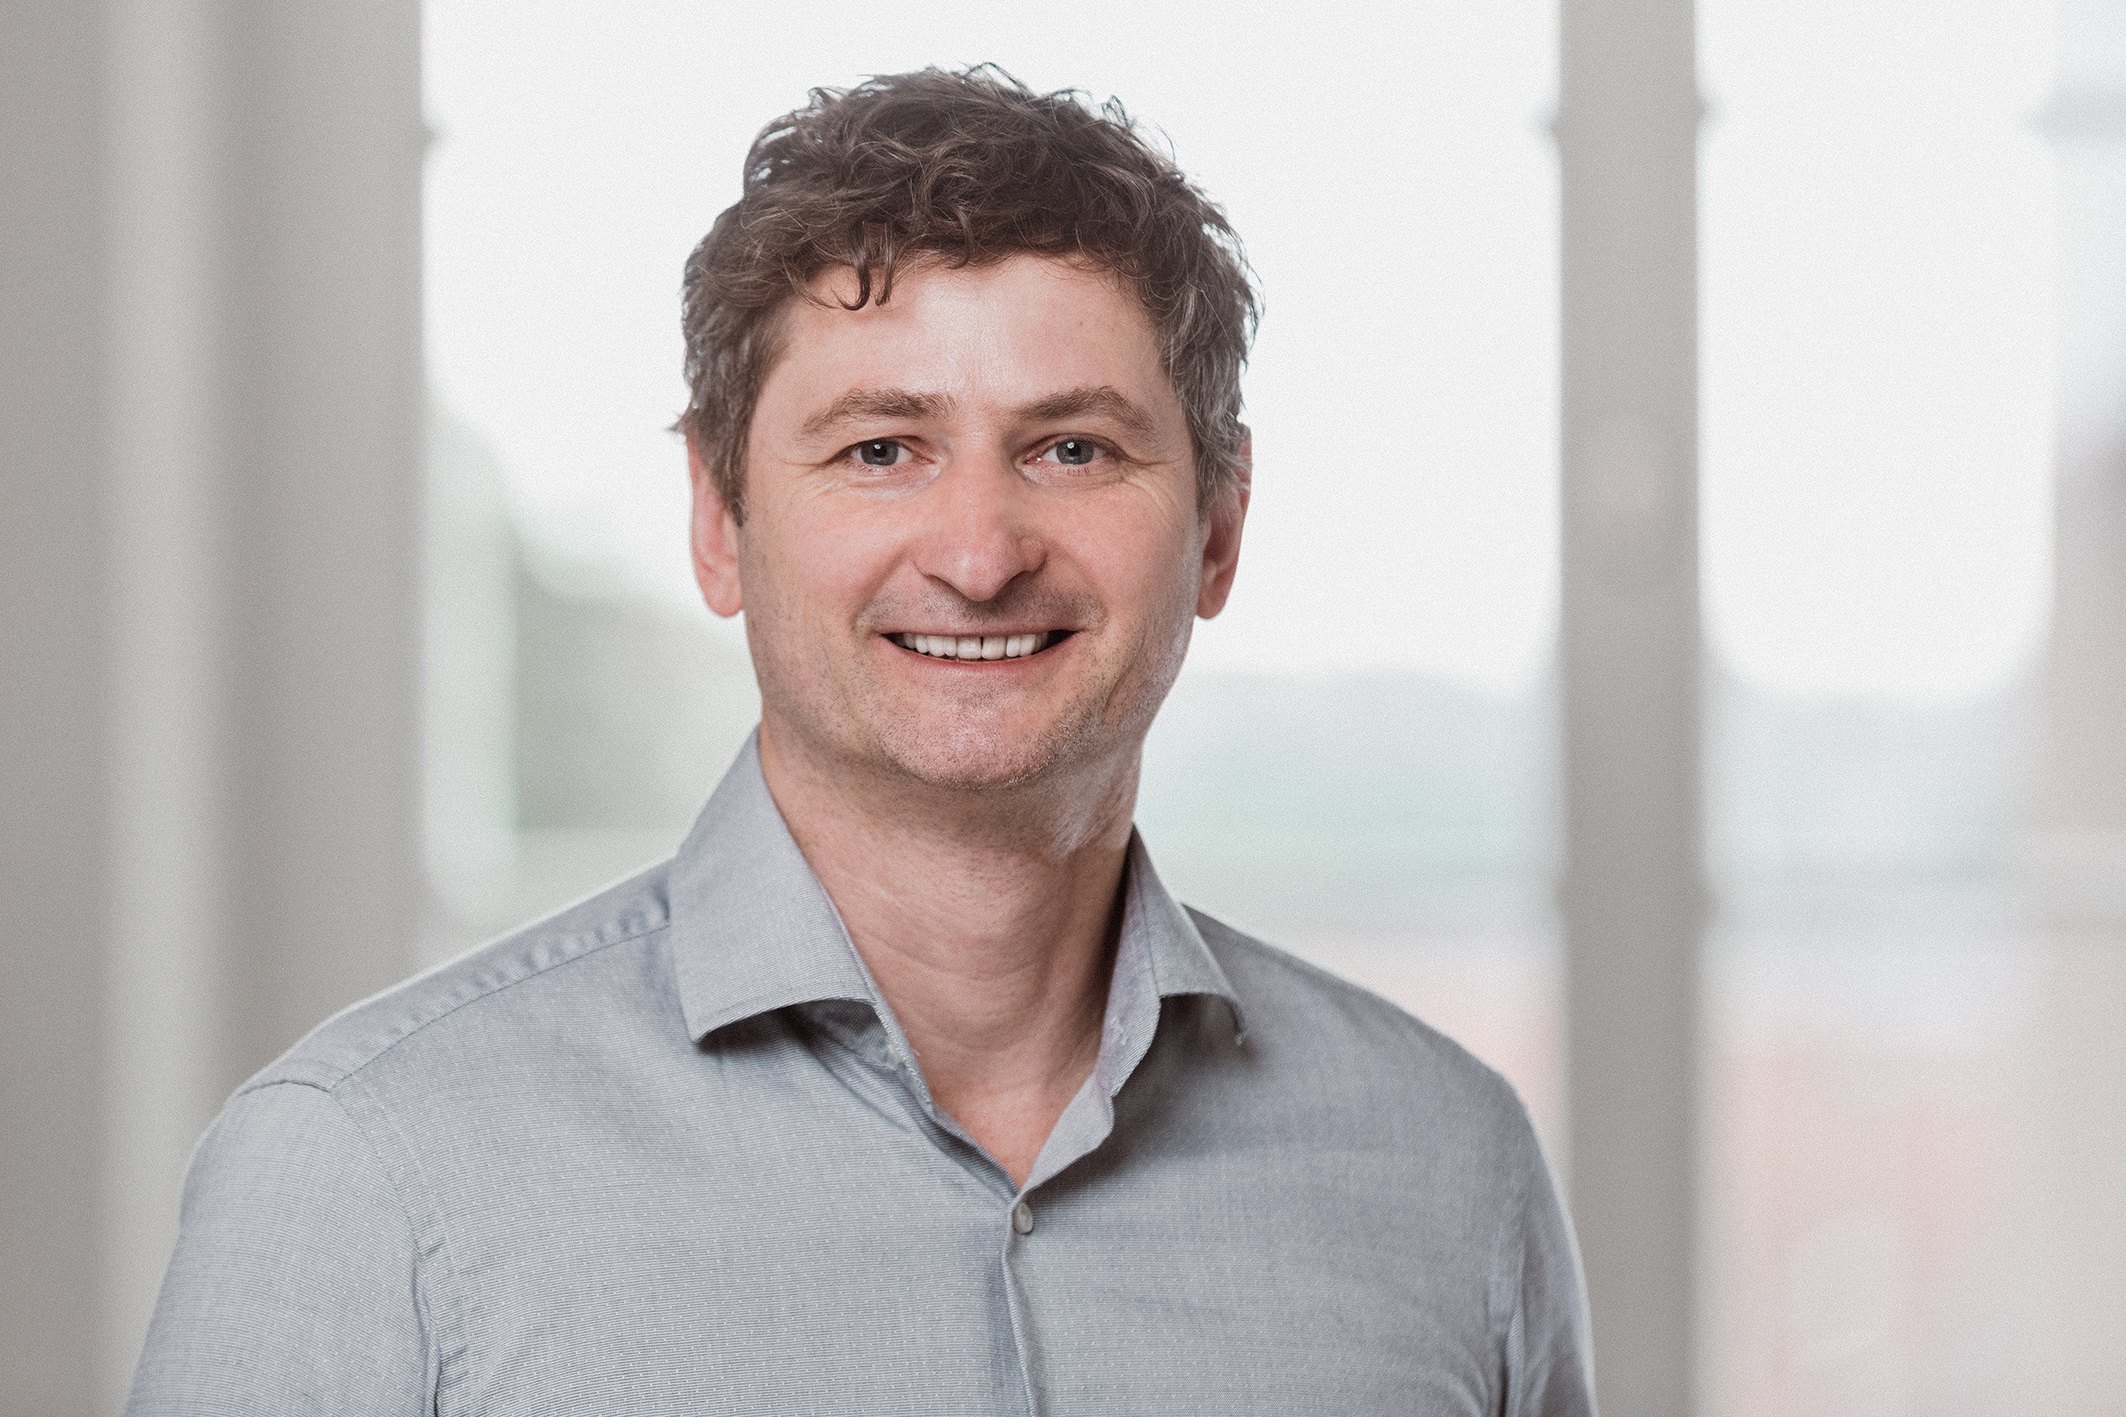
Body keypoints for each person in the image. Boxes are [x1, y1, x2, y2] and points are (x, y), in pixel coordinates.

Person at [127, 67, 1594, 1415]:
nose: (979, 553)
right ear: (719, 520)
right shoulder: (366, 1167)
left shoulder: (1449, 1168)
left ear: (1218, 525)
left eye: (1072, 447)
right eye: (880, 449)